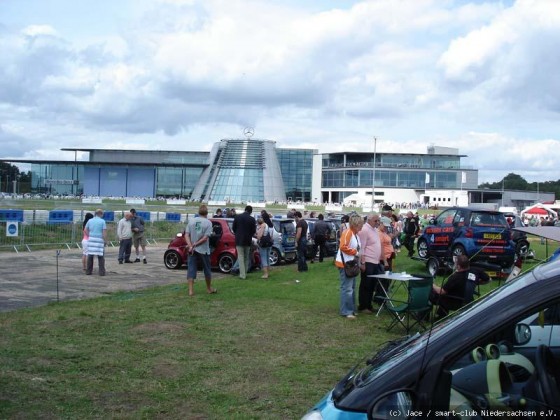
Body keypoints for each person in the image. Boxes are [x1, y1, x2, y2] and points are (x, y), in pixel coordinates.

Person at [335, 214, 363, 319]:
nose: (362, 226)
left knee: (351, 287)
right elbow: (343, 247)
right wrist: (355, 252)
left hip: (351, 264)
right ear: (356, 224)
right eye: (361, 224)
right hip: (345, 264)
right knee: (347, 288)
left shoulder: (354, 234)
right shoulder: (348, 233)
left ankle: (351, 309)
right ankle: (346, 311)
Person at [185, 204, 217, 296]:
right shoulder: (208, 223)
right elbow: (205, 238)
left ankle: (191, 291)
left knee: (191, 269)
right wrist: (195, 244)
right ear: (207, 213)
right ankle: (208, 288)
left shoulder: (191, 221)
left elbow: (186, 234)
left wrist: (190, 245)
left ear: (198, 212)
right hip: (203, 249)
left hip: (192, 250)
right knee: (207, 268)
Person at [357, 213, 382, 313]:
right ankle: (363, 306)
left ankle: (369, 304)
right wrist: (362, 262)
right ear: (369, 220)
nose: (377, 222)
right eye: (375, 221)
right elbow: (361, 247)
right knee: (366, 284)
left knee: (372, 284)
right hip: (368, 260)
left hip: (375, 261)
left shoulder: (374, 230)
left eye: (378, 221)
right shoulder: (364, 230)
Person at [232, 205, 256, 279]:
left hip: (239, 239)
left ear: (245, 209)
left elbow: (233, 228)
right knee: (246, 257)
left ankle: (242, 275)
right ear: (251, 212)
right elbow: (253, 231)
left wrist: (237, 234)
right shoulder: (252, 219)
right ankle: (245, 272)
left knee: (240, 257)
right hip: (248, 240)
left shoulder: (237, 217)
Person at [84, 208, 107, 276]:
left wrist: (89, 235)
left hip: (91, 239)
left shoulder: (90, 221)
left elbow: (85, 229)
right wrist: (105, 240)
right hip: (99, 239)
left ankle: (88, 271)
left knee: (90, 255)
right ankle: (101, 272)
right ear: (100, 214)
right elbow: (104, 232)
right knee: (101, 256)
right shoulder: (102, 221)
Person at [256, 211, 274, 279]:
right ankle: (268, 269)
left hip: (263, 243)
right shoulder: (270, 224)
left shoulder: (263, 225)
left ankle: (265, 274)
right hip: (269, 242)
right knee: (267, 257)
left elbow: (259, 236)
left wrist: (257, 235)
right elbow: (271, 235)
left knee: (263, 258)